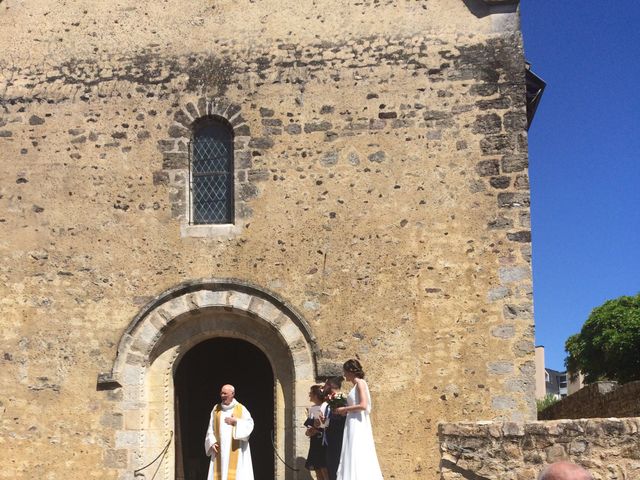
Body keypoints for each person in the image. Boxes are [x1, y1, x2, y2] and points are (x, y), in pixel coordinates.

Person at [334, 359, 383, 480]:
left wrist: (344, 409)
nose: (344, 375)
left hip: (357, 422)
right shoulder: (355, 386)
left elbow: (363, 405)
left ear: (351, 371)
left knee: (356, 450)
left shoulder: (360, 383)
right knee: (351, 450)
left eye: (345, 371)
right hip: (352, 421)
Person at [204, 384, 255, 480]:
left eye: (225, 393)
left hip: (237, 450)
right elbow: (211, 428)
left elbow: (250, 425)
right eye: (221, 393)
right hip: (220, 451)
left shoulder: (241, 409)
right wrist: (212, 442)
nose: (222, 395)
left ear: (232, 394)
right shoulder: (216, 409)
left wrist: (236, 421)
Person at [321, 376, 347, 480]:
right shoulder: (330, 400)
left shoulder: (340, 399)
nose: (324, 387)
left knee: (335, 465)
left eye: (326, 384)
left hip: (337, 439)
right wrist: (325, 421)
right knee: (330, 466)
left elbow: (342, 416)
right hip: (330, 439)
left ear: (330, 385)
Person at [304, 384, 329, 480]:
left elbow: (325, 425)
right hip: (315, 442)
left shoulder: (326, 407)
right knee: (317, 470)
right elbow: (309, 430)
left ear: (316, 395)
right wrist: (310, 431)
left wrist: (316, 428)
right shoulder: (313, 408)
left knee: (324, 469)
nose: (309, 395)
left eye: (311, 393)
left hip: (323, 443)